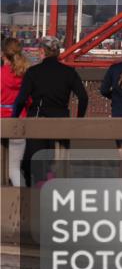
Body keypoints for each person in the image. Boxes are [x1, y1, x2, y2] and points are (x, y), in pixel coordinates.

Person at [10, 36, 89, 186]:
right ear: (58, 52)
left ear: (42, 52)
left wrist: (14, 117)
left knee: (34, 162)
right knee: (59, 162)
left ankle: (35, 190)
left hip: (38, 120)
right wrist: (79, 119)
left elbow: (21, 100)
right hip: (61, 120)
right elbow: (83, 97)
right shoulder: (69, 72)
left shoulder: (33, 72)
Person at [1, 37, 30, 186]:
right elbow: (29, 100)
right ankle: (22, 197)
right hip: (19, 122)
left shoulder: (1, 74)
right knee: (14, 169)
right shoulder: (25, 75)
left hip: (2, 120)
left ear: (3, 54)